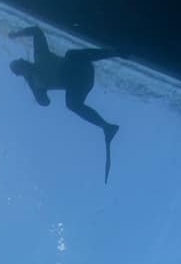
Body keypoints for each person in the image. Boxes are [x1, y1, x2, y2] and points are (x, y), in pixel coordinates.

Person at [8, 25, 120, 182]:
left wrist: (16, 34)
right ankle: (106, 127)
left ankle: (114, 52)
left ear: (23, 59)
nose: (23, 63)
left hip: (83, 67)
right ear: (22, 74)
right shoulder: (37, 84)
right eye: (20, 67)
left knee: (70, 54)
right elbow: (44, 102)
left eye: (21, 61)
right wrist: (30, 81)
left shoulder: (40, 55)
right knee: (71, 104)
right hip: (80, 85)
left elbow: (36, 31)